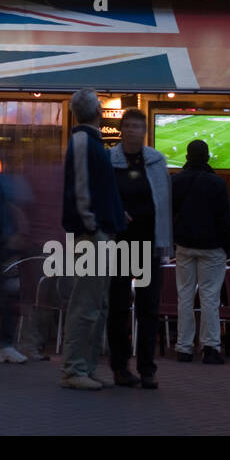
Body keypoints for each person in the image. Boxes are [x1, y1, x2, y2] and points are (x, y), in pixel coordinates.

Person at [59, 88, 127, 390]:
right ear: (98, 111)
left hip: (98, 231)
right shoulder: (86, 141)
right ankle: (75, 369)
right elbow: (82, 188)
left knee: (96, 304)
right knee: (86, 304)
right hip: (93, 234)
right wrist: (91, 224)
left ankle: (84, 367)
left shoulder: (87, 141)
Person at [106, 107, 171, 389]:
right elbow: (102, 195)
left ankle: (147, 368)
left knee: (148, 308)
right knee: (118, 307)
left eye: (136, 126)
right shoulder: (108, 160)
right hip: (118, 244)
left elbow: (163, 201)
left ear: (144, 131)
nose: (131, 130)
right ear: (121, 129)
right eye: (128, 125)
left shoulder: (157, 162)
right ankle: (120, 367)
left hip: (148, 244)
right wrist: (117, 212)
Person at [171, 139, 230, 365]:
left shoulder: (176, 181)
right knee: (210, 297)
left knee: (184, 295)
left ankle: (184, 347)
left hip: (185, 245)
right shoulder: (217, 183)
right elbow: (224, 219)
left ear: (187, 156)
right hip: (213, 246)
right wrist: (227, 246)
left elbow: (171, 214)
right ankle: (210, 347)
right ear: (207, 157)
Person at [0, 153, 34, 366]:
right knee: (10, 292)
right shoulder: (6, 182)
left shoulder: (9, 181)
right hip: (8, 244)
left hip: (11, 243)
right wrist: (14, 234)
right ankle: (5, 343)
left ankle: (3, 341)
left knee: (11, 291)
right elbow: (3, 213)